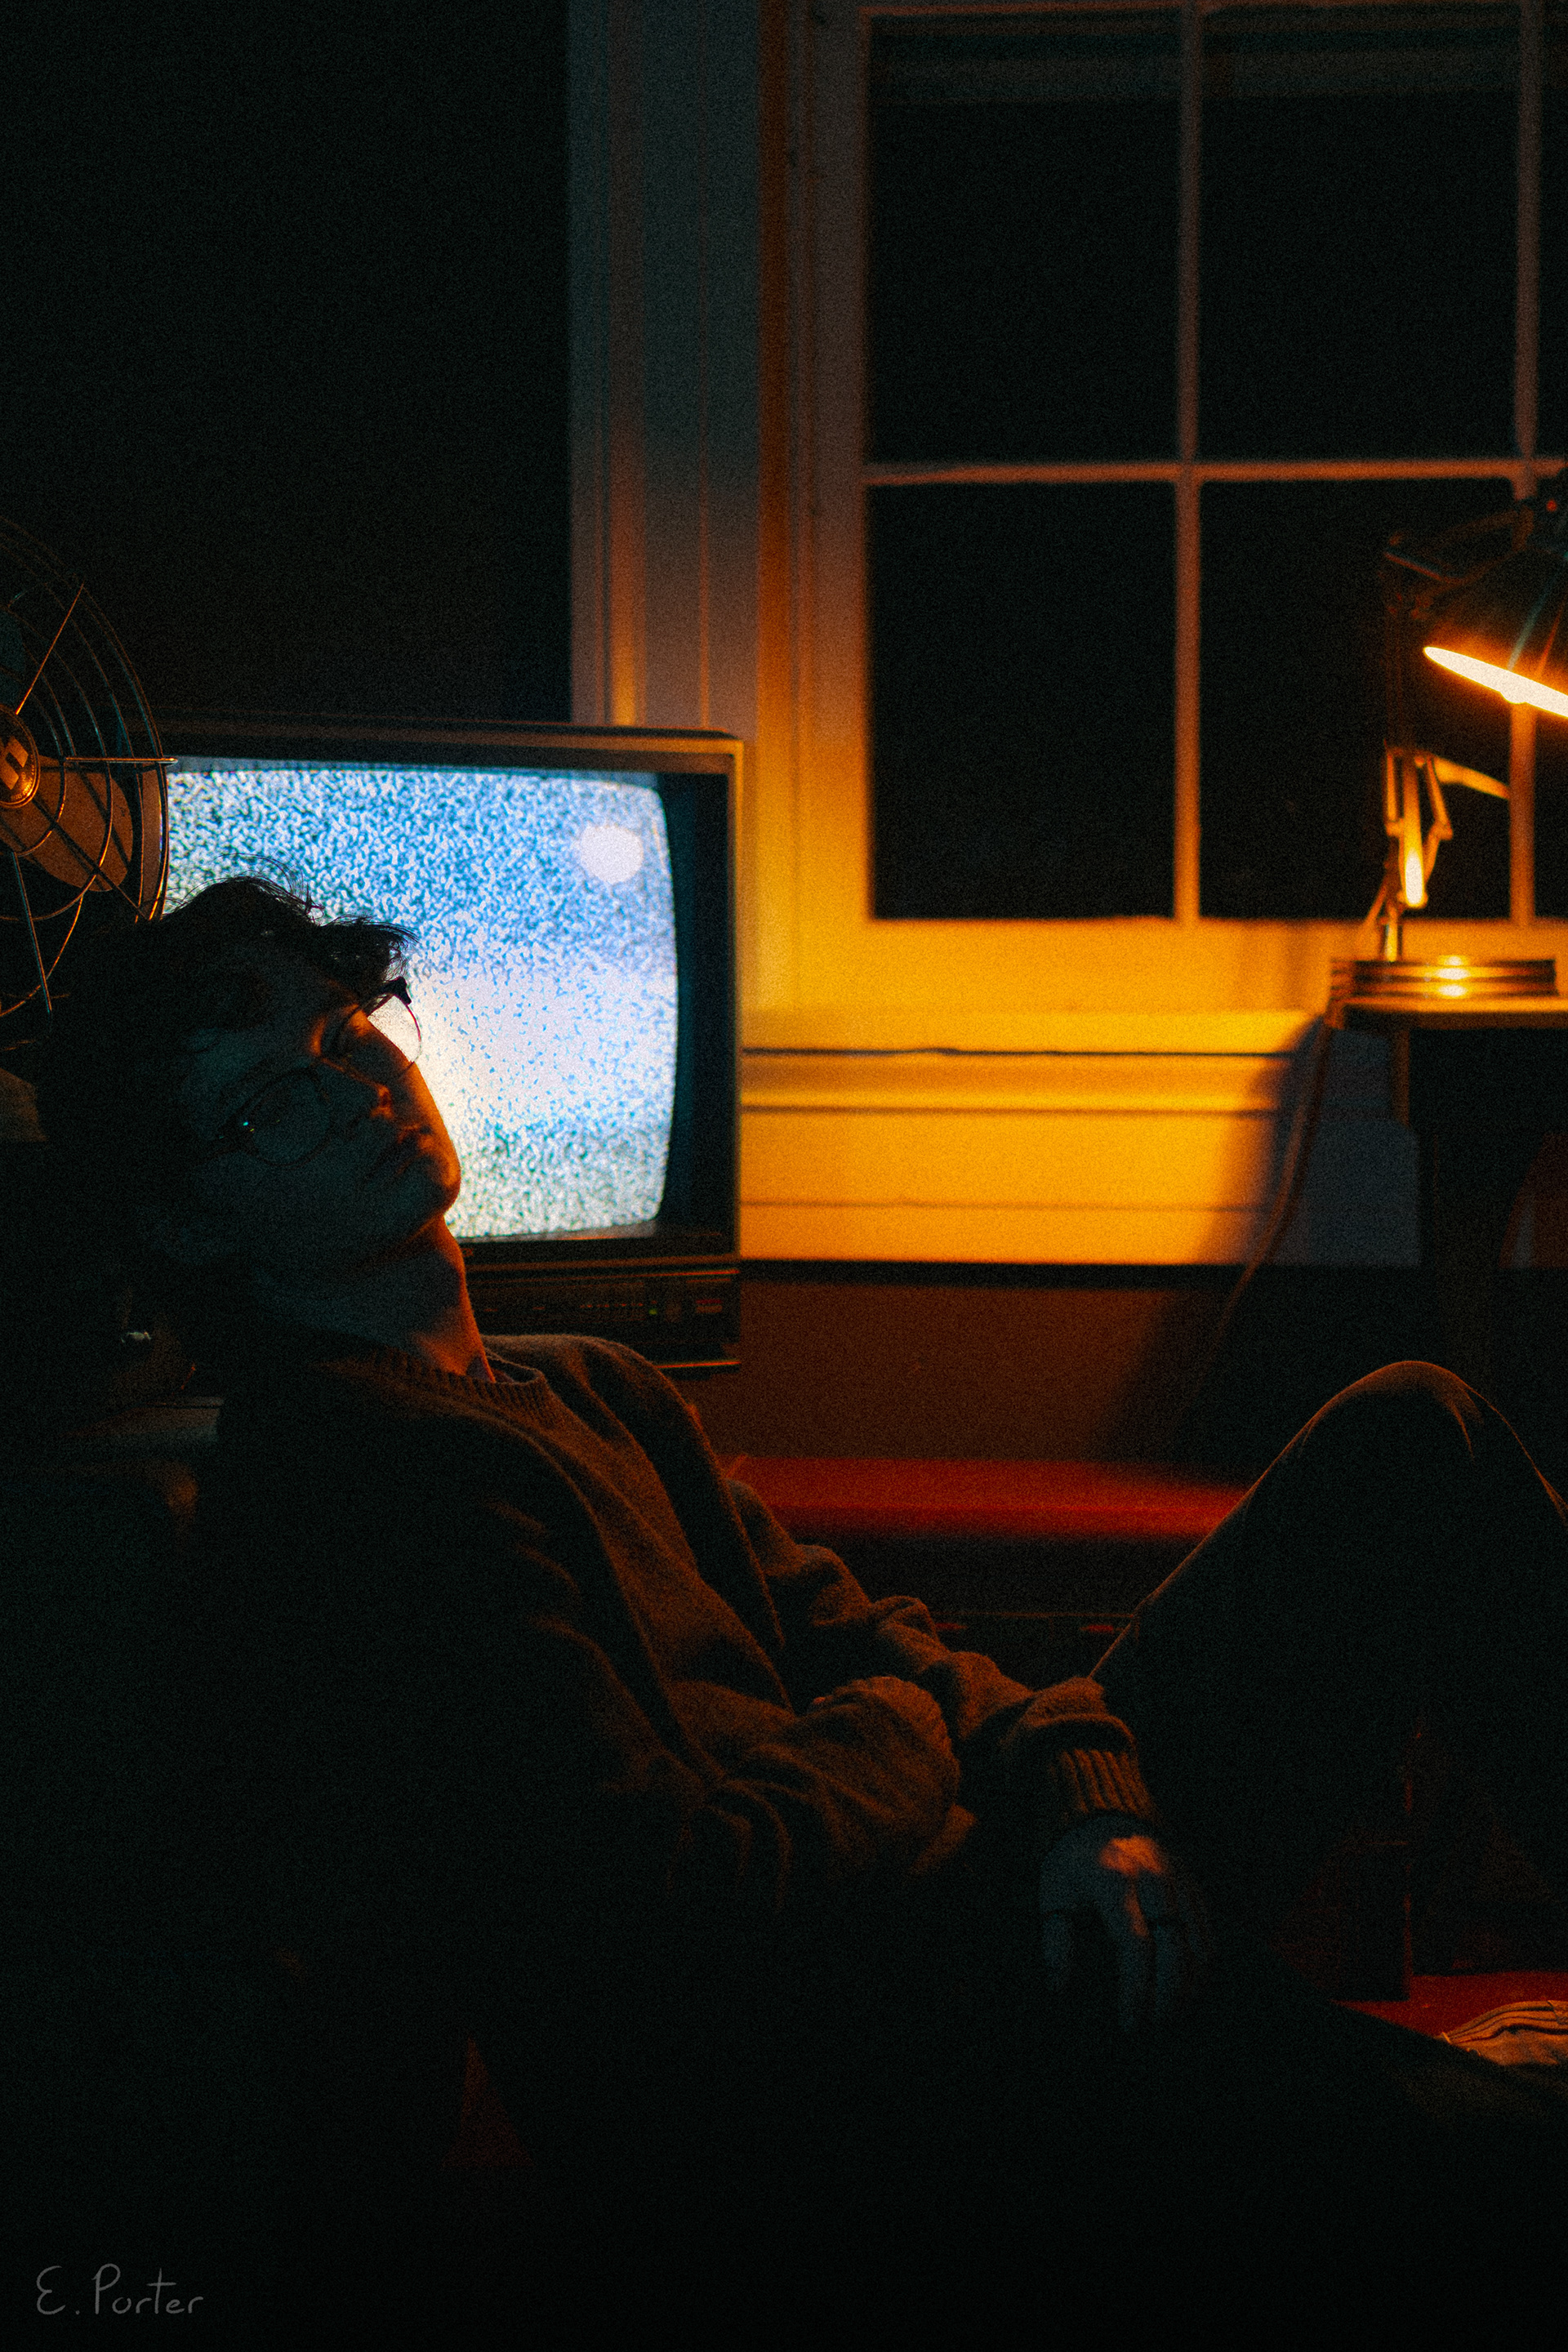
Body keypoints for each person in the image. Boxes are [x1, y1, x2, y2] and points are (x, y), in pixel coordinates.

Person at [31, 877, 1568, 2336]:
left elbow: (876, 1639)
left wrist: (1086, 1795)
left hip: (991, 1895)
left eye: (345, 1031)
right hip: (869, 2089)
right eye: (274, 1101)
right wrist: (906, 1728)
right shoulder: (366, 1487)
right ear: (187, 1220)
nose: (360, 1088)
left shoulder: (589, 1385)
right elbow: (675, 1917)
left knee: (1408, 1433)